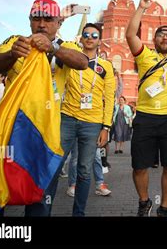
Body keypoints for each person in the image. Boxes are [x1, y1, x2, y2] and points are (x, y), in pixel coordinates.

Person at [0, 0, 88, 216]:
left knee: (40, 193)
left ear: (59, 23)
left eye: (48, 19)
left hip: (45, 132)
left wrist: (52, 47)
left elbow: (82, 62)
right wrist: (12, 54)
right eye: (36, 18)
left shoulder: (65, 46)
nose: (41, 24)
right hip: (11, 127)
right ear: (29, 21)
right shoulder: (16, 41)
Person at [126, 0, 167, 217]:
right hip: (144, 117)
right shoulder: (144, 55)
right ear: (154, 39)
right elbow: (130, 34)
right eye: (161, 33)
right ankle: (144, 202)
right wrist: (141, 8)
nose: (165, 37)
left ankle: (164, 207)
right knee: (139, 166)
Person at [57, 23, 115, 216]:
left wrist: (106, 127)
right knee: (55, 163)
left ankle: (78, 213)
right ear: (80, 39)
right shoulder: (70, 60)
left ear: (99, 41)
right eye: (86, 34)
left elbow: (110, 98)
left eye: (94, 35)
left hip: (92, 123)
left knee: (84, 169)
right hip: (67, 118)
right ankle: (43, 209)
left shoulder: (106, 67)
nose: (90, 38)